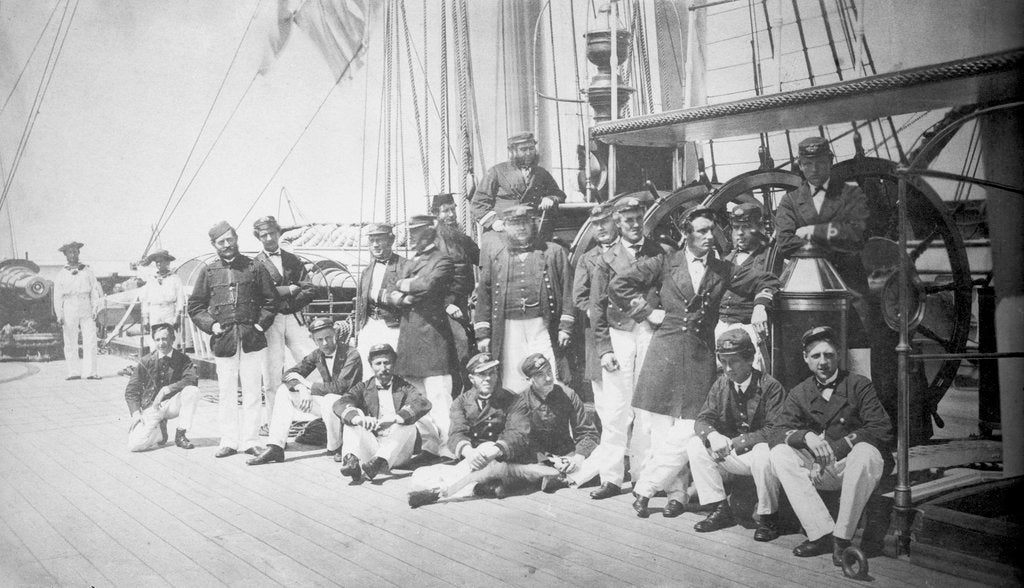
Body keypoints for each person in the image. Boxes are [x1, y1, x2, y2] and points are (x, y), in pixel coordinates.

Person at [610, 207, 780, 518]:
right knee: (662, 429)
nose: (709, 236)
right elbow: (619, 286)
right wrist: (646, 312)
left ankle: (646, 488)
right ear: (686, 235)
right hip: (666, 351)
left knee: (690, 428)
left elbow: (766, 280)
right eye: (701, 231)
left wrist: (760, 305)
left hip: (700, 356)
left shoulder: (722, 268)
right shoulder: (665, 261)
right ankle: (675, 496)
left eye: (712, 230)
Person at [770, 326, 893, 564]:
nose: (823, 362)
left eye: (828, 355)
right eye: (816, 356)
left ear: (839, 355)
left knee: (865, 451)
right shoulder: (799, 392)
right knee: (779, 453)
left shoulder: (859, 385)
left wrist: (836, 448)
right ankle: (820, 532)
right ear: (806, 359)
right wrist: (806, 437)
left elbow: (880, 428)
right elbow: (776, 432)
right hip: (822, 470)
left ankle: (842, 539)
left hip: (853, 466)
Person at [573, 196, 665, 499]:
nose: (635, 225)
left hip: (649, 333)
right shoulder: (605, 258)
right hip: (620, 336)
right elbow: (596, 308)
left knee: (646, 410)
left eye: (639, 218)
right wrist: (604, 349)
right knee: (615, 412)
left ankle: (641, 475)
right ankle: (611, 478)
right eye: (628, 220)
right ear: (619, 223)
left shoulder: (658, 252)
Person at [774, 136, 871, 371]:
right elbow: (785, 242)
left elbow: (858, 234)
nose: (814, 169)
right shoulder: (790, 201)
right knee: (811, 356)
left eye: (819, 162)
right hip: (807, 295)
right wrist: (834, 238)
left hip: (850, 289)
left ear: (830, 161)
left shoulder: (850, 194)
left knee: (856, 358)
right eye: (808, 164)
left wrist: (812, 231)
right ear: (799, 165)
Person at [188, 221, 278, 458]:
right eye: (221, 242)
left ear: (236, 239)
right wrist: (212, 325)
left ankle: (250, 440)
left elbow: (271, 301)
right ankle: (228, 440)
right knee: (226, 391)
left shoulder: (255, 267)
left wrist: (259, 325)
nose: (227, 245)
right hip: (224, 340)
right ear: (214, 245)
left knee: (251, 391)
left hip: (251, 339)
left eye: (230, 239)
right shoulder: (209, 271)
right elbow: (196, 306)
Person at [686, 329, 785, 539]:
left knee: (762, 451)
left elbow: (774, 430)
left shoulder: (771, 387)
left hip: (761, 458)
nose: (728, 369)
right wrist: (712, 435)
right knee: (695, 445)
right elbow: (702, 420)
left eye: (735, 362)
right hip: (733, 455)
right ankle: (719, 509)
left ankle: (769, 517)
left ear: (750, 359)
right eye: (723, 361)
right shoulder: (721, 384)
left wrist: (734, 442)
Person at [405, 353, 533, 507]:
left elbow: (518, 433)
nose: (488, 378)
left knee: (486, 448)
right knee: (419, 475)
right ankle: (480, 487)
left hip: (502, 458)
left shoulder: (513, 399)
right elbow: (456, 433)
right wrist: (469, 452)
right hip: (472, 460)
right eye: (482, 374)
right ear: (472, 378)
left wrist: (494, 451)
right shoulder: (461, 402)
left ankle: (442, 491)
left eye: (492, 373)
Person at [474, 205, 574, 393]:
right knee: (513, 377)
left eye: (525, 223)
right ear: (505, 226)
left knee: (547, 371)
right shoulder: (497, 255)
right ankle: (519, 419)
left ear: (534, 224)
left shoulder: (553, 252)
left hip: (542, 325)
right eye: (514, 224)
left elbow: (569, 292)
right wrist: (482, 334)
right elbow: (484, 295)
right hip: (509, 327)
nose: (521, 228)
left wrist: (565, 328)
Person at [385, 214, 457, 457]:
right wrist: (403, 292)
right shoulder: (410, 262)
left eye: (417, 231)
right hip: (410, 337)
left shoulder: (443, 260)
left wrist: (403, 287)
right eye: (412, 231)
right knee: (417, 397)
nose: (413, 235)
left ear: (430, 231)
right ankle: (429, 446)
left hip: (433, 337)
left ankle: (449, 447)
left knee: (439, 395)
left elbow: (429, 285)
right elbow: (389, 288)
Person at [246, 317, 362, 465]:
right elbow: (289, 374)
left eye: (328, 337)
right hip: (329, 406)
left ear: (336, 334)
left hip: (349, 406)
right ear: (313, 340)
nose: (325, 343)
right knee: (284, 391)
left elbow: (341, 388)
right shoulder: (317, 354)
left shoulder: (351, 354)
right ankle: (276, 446)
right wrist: (301, 388)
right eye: (319, 340)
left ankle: (336, 447)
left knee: (329, 399)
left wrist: (307, 385)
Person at [252, 216, 318, 427]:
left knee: (311, 362)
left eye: (273, 233)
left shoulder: (292, 260)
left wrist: (289, 303)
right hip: (270, 322)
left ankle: (317, 418)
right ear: (258, 237)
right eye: (264, 235)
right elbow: (255, 295)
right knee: (271, 371)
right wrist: (288, 290)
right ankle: (272, 422)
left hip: (293, 317)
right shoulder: (255, 264)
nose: (270, 238)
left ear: (279, 233)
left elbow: (309, 288)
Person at [569, 203, 618, 480]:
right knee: (603, 399)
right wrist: (598, 313)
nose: (601, 228)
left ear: (615, 222)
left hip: (628, 330)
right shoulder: (588, 258)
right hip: (598, 336)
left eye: (605, 222)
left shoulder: (626, 253)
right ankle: (608, 460)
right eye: (596, 224)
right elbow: (579, 297)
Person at [334, 343, 432, 481]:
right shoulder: (364, 387)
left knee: (408, 424)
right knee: (353, 417)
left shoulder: (404, 387)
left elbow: (422, 403)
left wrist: (394, 418)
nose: (383, 368)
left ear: (394, 364)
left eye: (387, 363)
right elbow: (341, 403)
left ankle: (380, 461)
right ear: (371, 365)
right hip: (371, 451)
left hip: (398, 452)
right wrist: (360, 419)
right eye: (378, 364)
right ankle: (352, 462)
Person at [470, 131, 566, 252]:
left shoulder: (541, 173)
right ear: (512, 151)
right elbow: (478, 204)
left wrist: (551, 198)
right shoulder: (496, 172)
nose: (529, 153)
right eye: (523, 149)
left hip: (530, 232)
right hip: (502, 232)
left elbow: (559, 194)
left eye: (531, 148)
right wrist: (495, 223)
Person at [517, 353, 599, 494]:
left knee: (601, 455)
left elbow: (588, 432)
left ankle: (559, 477)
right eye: (540, 375)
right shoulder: (521, 402)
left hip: (568, 456)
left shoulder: (568, 394)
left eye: (549, 371)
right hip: (538, 458)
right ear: (529, 380)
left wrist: (578, 457)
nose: (548, 378)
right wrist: (549, 460)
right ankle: (566, 478)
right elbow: (520, 440)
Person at [717, 203, 774, 371]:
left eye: (746, 227)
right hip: (720, 326)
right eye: (736, 228)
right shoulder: (728, 258)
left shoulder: (770, 259)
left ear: (760, 227)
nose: (740, 233)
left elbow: (771, 285)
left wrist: (760, 306)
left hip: (748, 328)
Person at [125, 323, 198, 451]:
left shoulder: (182, 359)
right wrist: (136, 413)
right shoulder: (146, 361)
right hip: (152, 406)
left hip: (172, 404)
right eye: (157, 340)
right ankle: (159, 432)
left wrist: (166, 389)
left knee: (192, 391)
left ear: (173, 339)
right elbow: (131, 390)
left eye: (165, 339)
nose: (161, 343)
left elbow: (192, 379)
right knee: (135, 445)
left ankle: (180, 434)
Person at [431, 192, 480, 385]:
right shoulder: (431, 242)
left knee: (466, 346)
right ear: (436, 214)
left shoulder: (462, 239)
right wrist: (445, 305)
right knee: (459, 346)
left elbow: (482, 259)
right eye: (445, 211)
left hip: (462, 304)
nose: (451, 215)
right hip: (441, 307)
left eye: (453, 210)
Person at [353, 223, 407, 376]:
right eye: (372, 241)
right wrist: (358, 329)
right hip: (369, 325)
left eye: (379, 240)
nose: (375, 245)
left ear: (390, 241)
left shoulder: (405, 266)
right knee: (367, 368)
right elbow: (360, 302)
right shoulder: (366, 271)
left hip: (393, 326)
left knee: (394, 369)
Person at [53, 241, 103, 380]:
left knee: (90, 339)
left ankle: (90, 372)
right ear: (66, 255)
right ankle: (73, 371)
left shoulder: (87, 271)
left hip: (85, 304)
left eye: (75, 251)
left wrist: (95, 309)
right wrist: (59, 314)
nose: (73, 254)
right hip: (69, 305)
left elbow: (94, 291)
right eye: (70, 252)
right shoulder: (61, 274)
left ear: (79, 253)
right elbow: (57, 296)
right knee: (70, 340)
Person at [139, 249, 185, 339]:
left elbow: (180, 298)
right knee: (155, 339)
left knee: (169, 338)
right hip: (154, 311)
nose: (159, 264)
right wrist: (145, 317)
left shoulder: (175, 278)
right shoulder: (151, 279)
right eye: (157, 262)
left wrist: (178, 316)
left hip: (168, 311)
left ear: (167, 262)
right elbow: (145, 299)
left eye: (161, 261)